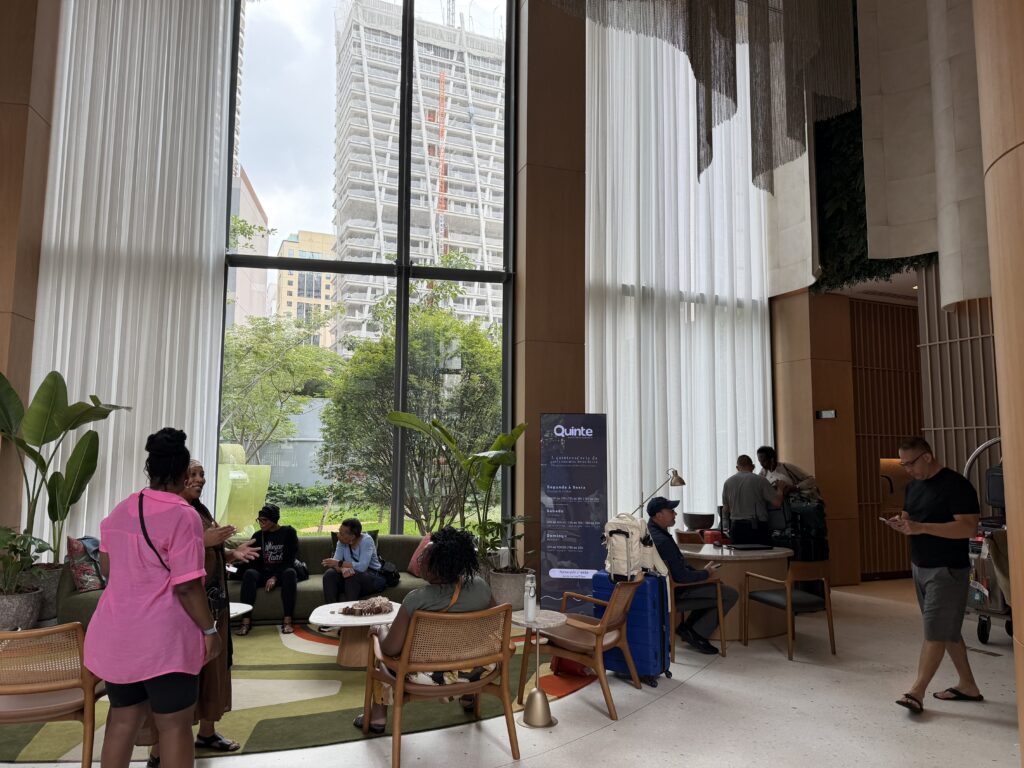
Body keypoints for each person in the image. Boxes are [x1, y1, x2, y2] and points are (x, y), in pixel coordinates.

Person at [83, 428, 219, 768]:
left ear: (151, 468)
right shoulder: (183, 515)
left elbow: (108, 568)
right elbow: (187, 586)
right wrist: (209, 631)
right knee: (173, 727)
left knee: (121, 721)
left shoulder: (120, 510)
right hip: (164, 642)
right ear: (183, 472)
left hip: (118, 636)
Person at [144, 460, 260, 766]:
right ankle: (158, 751)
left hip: (215, 606)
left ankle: (207, 732)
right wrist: (202, 540)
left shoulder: (202, 510)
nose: (199, 480)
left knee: (216, 670)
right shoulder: (169, 511)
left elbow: (209, 553)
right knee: (180, 678)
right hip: (185, 611)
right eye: (192, 475)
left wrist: (231, 552)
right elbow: (166, 556)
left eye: (201, 474)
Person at [353, 526, 493, 733]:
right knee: (462, 639)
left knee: (378, 647)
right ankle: (467, 696)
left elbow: (391, 650)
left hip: (428, 674)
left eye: (423, 558)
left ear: (438, 565)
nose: (419, 563)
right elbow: (490, 622)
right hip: (475, 668)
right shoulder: (481, 587)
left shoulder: (416, 600)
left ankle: (378, 717)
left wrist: (379, 632)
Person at [887, 437, 983, 715]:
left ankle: (916, 692)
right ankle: (968, 686)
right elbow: (910, 518)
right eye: (903, 464)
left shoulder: (956, 485)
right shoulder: (913, 486)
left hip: (947, 569)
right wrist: (902, 524)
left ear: (927, 456)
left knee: (935, 631)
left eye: (911, 463)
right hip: (920, 566)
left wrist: (921, 528)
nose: (907, 469)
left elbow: (967, 528)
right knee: (947, 630)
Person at [647, 497, 738, 655]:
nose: (675, 514)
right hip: (678, 592)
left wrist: (701, 573)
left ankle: (689, 629)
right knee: (729, 594)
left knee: (718, 587)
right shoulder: (663, 540)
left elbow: (679, 568)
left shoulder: (653, 533)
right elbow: (681, 577)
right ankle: (696, 633)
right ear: (658, 515)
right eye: (670, 511)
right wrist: (705, 573)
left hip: (667, 590)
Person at [235, 503, 299, 636]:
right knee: (249, 574)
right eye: (259, 520)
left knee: (290, 573)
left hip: (283, 571)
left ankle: (287, 621)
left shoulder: (288, 533)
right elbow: (253, 560)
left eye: (265, 520)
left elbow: (289, 560)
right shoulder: (258, 536)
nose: (261, 523)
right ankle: (245, 622)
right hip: (264, 572)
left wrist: (275, 577)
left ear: (274, 520)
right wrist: (233, 569)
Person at [721, 455, 784, 545]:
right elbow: (777, 503)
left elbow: (726, 509)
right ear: (753, 466)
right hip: (757, 528)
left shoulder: (728, 482)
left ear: (737, 468)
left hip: (736, 528)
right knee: (761, 557)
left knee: (740, 557)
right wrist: (780, 488)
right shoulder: (761, 480)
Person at [321, 517, 386, 602]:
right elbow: (335, 563)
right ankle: (331, 610)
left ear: (352, 537)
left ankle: (350, 610)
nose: (338, 535)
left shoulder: (366, 541)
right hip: (351, 578)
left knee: (352, 575)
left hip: (372, 576)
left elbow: (362, 567)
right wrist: (343, 569)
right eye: (339, 531)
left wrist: (340, 564)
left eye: (341, 534)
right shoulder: (341, 542)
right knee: (329, 574)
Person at [756, 445, 821, 503]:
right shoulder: (763, 472)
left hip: (795, 504)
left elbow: (811, 480)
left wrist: (795, 487)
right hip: (778, 508)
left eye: (764, 461)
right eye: (760, 461)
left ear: (772, 459)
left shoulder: (786, 467)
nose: (761, 464)